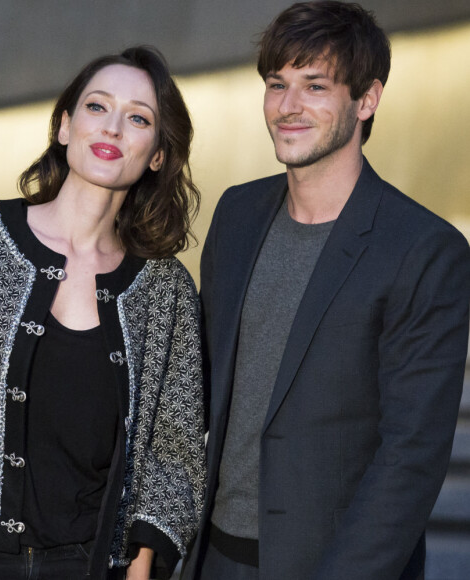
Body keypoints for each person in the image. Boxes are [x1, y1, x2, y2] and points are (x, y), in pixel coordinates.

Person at [0, 45, 206, 580]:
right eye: (96, 107)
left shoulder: (165, 290)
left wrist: (141, 566)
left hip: (89, 564)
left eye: (138, 118)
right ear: (64, 126)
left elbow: (175, 449)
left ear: (157, 154)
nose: (112, 129)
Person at [181, 2, 470, 580]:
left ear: (367, 100)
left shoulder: (423, 249)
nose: (288, 107)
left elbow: (410, 458)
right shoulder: (237, 213)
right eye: (276, 84)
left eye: (315, 85)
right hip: (211, 557)